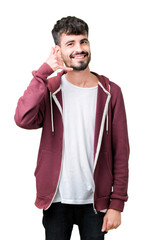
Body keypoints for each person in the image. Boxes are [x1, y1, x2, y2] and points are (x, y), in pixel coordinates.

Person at [14, 16, 130, 240]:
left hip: (96, 202)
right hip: (56, 200)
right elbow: (23, 118)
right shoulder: (50, 88)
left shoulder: (110, 92)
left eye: (83, 41)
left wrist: (117, 204)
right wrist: (42, 72)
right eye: (71, 43)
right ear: (58, 50)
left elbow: (121, 151)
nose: (80, 49)